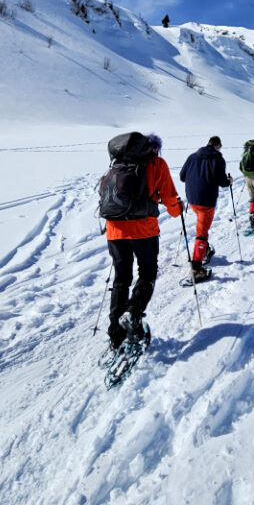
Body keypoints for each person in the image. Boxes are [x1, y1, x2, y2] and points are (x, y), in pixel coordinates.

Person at [103, 132, 182, 350]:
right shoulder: (157, 163)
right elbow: (168, 197)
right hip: (143, 230)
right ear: (154, 148)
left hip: (114, 230)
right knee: (147, 273)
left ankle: (115, 335)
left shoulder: (117, 164)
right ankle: (133, 313)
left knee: (121, 279)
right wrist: (178, 210)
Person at [179, 135, 233, 281]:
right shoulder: (218, 159)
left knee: (201, 226)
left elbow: (182, 176)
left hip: (192, 198)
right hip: (206, 200)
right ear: (217, 146)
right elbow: (222, 182)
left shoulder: (192, 156)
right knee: (202, 232)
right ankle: (196, 267)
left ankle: (204, 249)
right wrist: (228, 181)